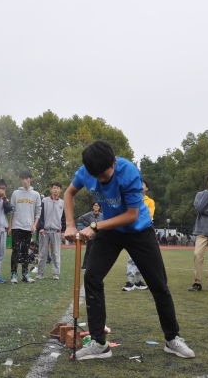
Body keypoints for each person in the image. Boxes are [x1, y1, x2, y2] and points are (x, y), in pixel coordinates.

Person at [64, 140, 194, 360]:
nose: (100, 180)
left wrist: (95, 226)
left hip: (138, 230)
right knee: (93, 277)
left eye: (104, 176)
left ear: (114, 162)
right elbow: (69, 194)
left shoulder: (129, 173)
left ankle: (172, 339)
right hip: (110, 230)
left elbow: (131, 215)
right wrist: (69, 224)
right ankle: (99, 344)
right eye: (96, 176)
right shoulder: (88, 171)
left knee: (159, 285)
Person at [8, 170, 41, 284]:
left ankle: (25, 274)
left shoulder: (35, 194)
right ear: (21, 180)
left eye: (27, 178)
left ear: (30, 179)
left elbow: (38, 212)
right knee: (16, 251)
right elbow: (11, 211)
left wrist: (34, 225)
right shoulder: (16, 193)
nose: (25, 181)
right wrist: (10, 226)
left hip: (28, 227)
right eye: (23, 179)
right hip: (17, 226)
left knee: (25, 251)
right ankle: (13, 274)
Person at [122, 179, 153, 291]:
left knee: (142, 258)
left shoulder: (150, 201)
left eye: (143, 185)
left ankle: (139, 281)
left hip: (144, 231)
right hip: (132, 230)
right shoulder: (131, 198)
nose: (140, 187)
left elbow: (149, 215)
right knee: (131, 258)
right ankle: (130, 281)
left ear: (147, 188)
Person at [36, 182, 66, 280]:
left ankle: (56, 273)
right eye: (54, 188)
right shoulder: (44, 201)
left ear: (60, 190)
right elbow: (40, 214)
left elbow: (64, 218)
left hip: (56, 231)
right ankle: (40, 273)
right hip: (44, 231)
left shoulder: (62, 203)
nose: (55, 190)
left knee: (56, 253)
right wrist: (40, 227)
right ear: (51, 189)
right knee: (42, 252)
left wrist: (64, 230)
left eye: (57, 188)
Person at [78, 202, 102, 271]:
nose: (96, 207)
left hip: (99, 236)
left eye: (97, 205)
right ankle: (85, 266)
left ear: (99, 207)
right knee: (89, 251)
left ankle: (97, 266)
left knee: (99, 251)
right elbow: (80, 219)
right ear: (93, 207)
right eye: (94, 205)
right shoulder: (89, 215)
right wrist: (89, 225)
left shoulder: (102, 215)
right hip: (91, 236)